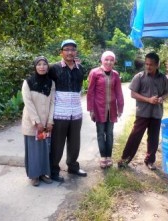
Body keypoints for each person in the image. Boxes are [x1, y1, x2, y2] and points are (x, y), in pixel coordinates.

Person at [118, 52, 168, 170]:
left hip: (156, 113)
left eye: (151, 64)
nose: (148, 67)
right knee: (135, 136)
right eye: (146, 64)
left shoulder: (163, 78)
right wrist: (148, 99)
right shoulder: (140, 77)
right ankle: (125, 159)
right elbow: (133, 94)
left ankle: (150, 161)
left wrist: (162, 98)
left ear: (157, 65)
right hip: (143, 113)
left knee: (153, 138)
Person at [48, 39, 87, 182]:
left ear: (76, 52)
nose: (70, 52)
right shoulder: (54, 68)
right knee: (57, 142)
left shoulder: (81, 68)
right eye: (67, 49)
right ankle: (53, 170)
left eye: (73, 49)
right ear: (61, 52)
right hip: (59, 112)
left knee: (75, 141)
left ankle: (73, 166)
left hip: (76, 111)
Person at [87, 51, 124, 169]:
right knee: (100, 133)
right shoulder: (95, 73)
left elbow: (119, 92)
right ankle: (103, 157)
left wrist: (120, 108)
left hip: (112, 109)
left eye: (111, 60)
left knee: (110, 133)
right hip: (99, 108)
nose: (109, 62)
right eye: (106, 59)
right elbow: (90, 92)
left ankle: (109, 156)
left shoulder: (116, 74)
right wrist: (91, 109)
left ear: (114, 61)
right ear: (102, 60)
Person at [21, 56, 55, 186]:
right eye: (39, 64)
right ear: (35, 67)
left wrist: (50, 121)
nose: (42, 67)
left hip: (46, 122)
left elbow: (53, 102)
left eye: (44, 64)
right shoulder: (28, 82)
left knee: (44, 148)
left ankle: (42, 173)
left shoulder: (51, 83)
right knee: (34, 149)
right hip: (32, 123)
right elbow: (28, 103)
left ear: (47, 66)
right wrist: (37, 122)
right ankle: (34, 175)